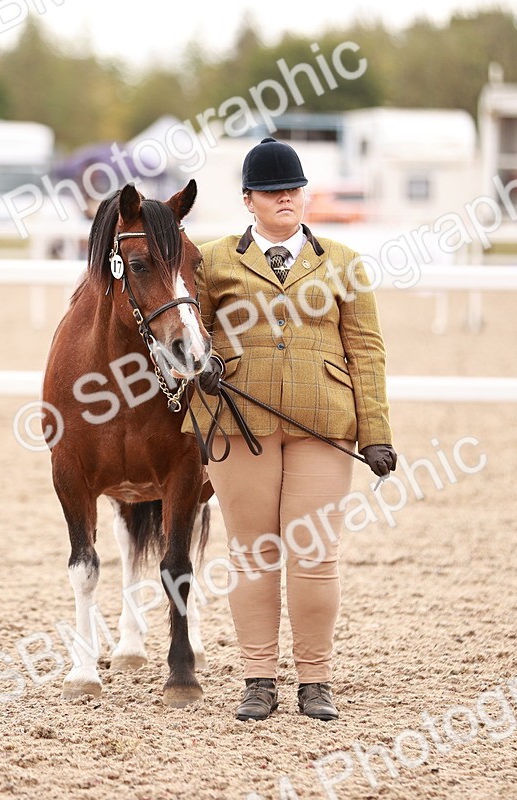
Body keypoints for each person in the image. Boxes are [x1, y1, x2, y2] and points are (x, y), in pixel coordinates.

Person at [183, 137, 397, 722]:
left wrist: (376, 430)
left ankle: (315, 678)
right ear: (249, 199)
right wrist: (194, 375)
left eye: (294, 189)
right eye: (274, 191)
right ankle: (257, 677)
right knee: (252, 552)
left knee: (314, 553)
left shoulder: (344, 262)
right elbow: (184, 336)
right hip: (237, 421)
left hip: (322, 422)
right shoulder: (212, 261)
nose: (286, 198)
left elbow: (366, 350)